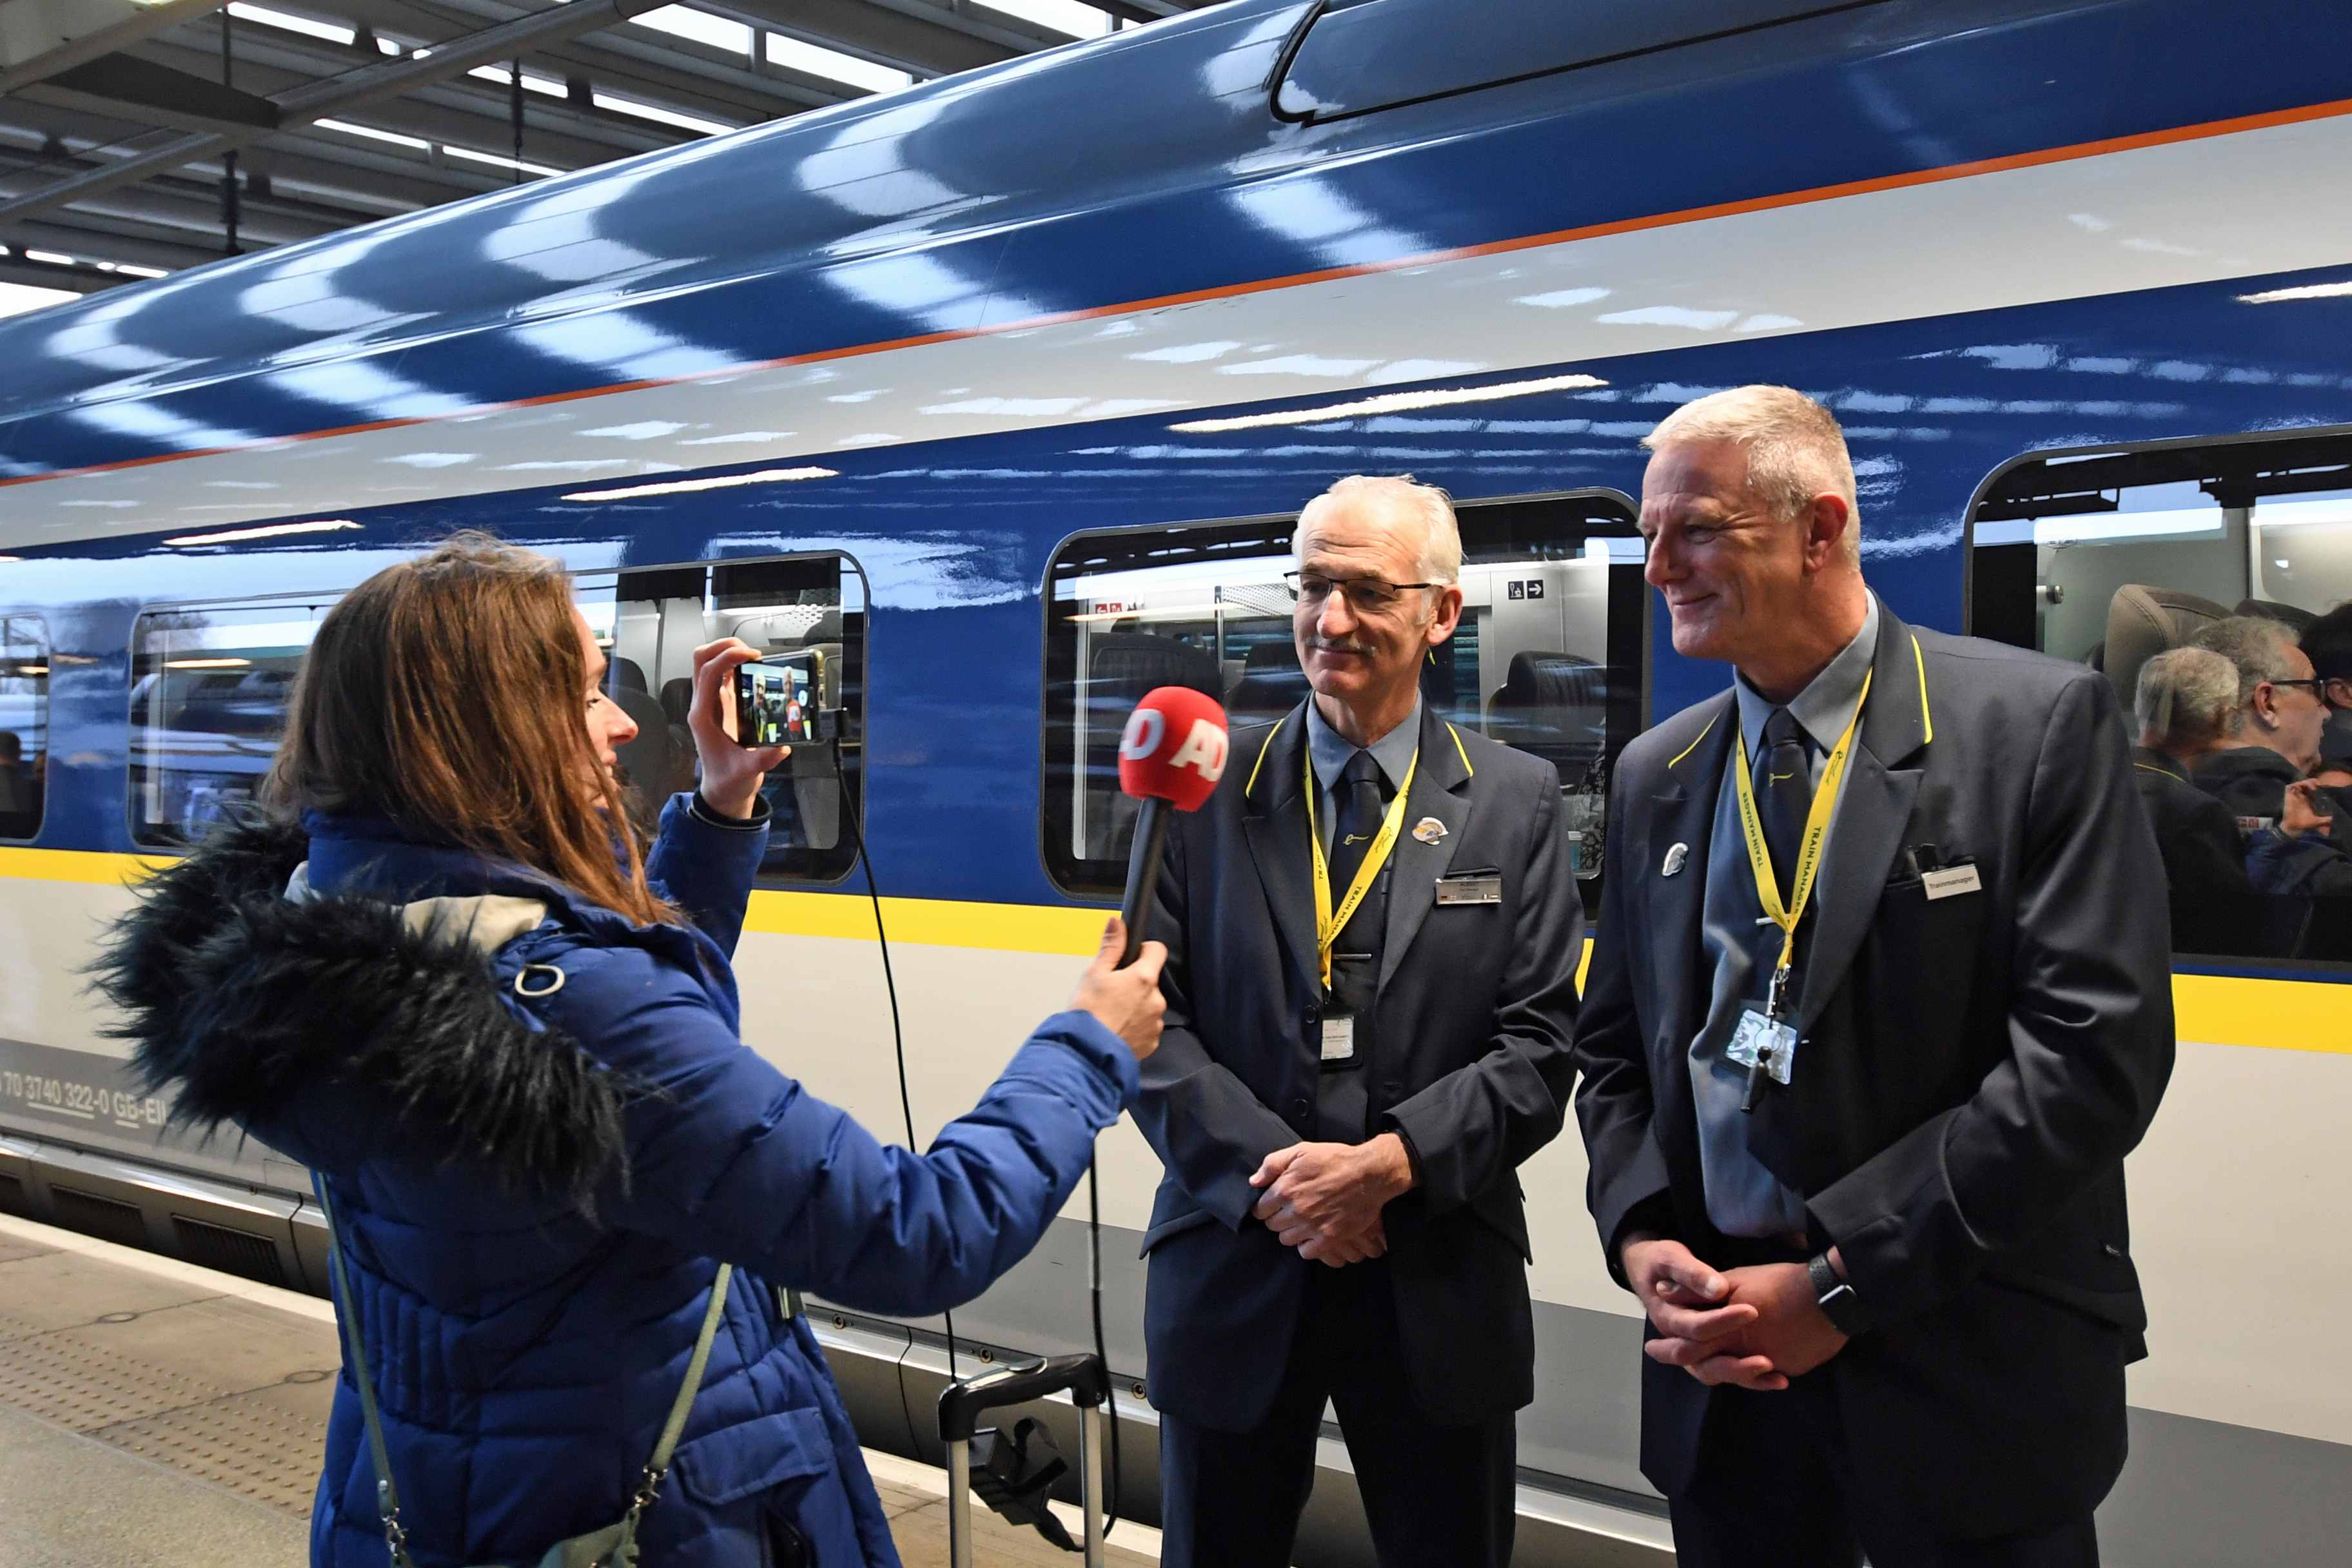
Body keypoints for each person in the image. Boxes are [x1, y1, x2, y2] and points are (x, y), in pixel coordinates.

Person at [94, 535, 1168, 1568]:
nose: (617, 726)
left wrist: (718, 802)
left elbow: (602, 1030)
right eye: (586, 691)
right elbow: (915, 1235)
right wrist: (1084, 1050)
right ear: (491, 735)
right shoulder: (576, 1014)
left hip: (438, 1488)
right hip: (648, 1518)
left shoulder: (337, 943)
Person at [1571, 387, 2173, 1567]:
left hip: (1964, 1374)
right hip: (1726, 1371)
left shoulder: (2029, 726)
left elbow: (2087, 1056)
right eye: (1649, 533)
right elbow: (1613, 1052)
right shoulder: (1658, 772)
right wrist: (1641, 1234)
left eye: (1694, 528)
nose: (1656, 567)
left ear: (1819, 527)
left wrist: (1840, 1285)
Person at [1133, 475, 1583, 1568]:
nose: (1328, 620)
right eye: (1313, 585)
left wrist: (1390, 1164)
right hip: (1240, 1260)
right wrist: (1290, 1184)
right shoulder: (1196, 788)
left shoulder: (1516, 798)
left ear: (1440, 613)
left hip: (1432, 1272)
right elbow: (1144, 1022)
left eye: (1365, 591)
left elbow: (1539, 1046)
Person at [2129, 648, 2282, 956]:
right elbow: (2229, 933)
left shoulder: (2086, 781)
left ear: (2140, 704)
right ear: (2226, 718)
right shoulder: (2197, 814)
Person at [2186, 615, 2328, 823]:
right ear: (2268, 703)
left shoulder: (2173, 789)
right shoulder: (2286, 814)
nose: (2326, 712)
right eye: (2313, 689)